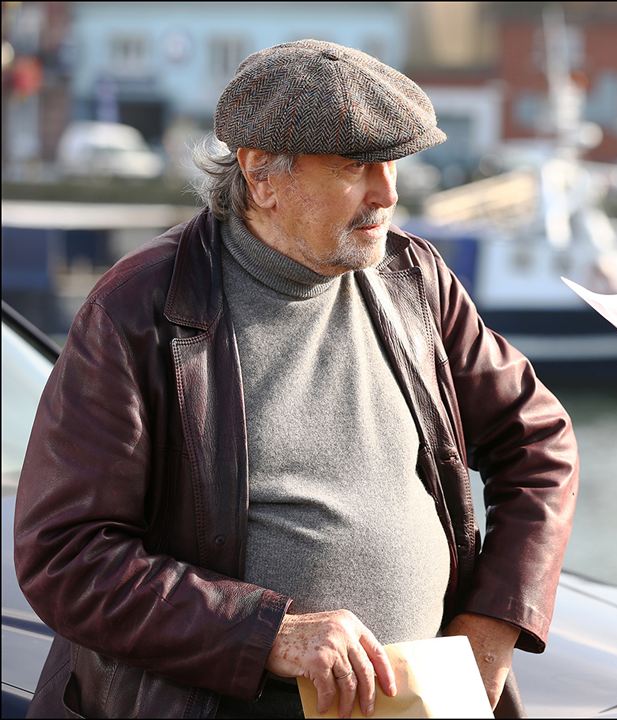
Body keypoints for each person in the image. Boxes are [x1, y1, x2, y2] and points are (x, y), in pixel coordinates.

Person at [14, 39, 579, 719]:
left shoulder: (413, 279)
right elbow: (68, 557)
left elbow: (538, 443)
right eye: (354, 166)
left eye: (392, 163)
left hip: (424, 703)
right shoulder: (138, 310)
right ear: (260, 176)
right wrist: (268, 633)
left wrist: (493, 626)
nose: (387, 193)